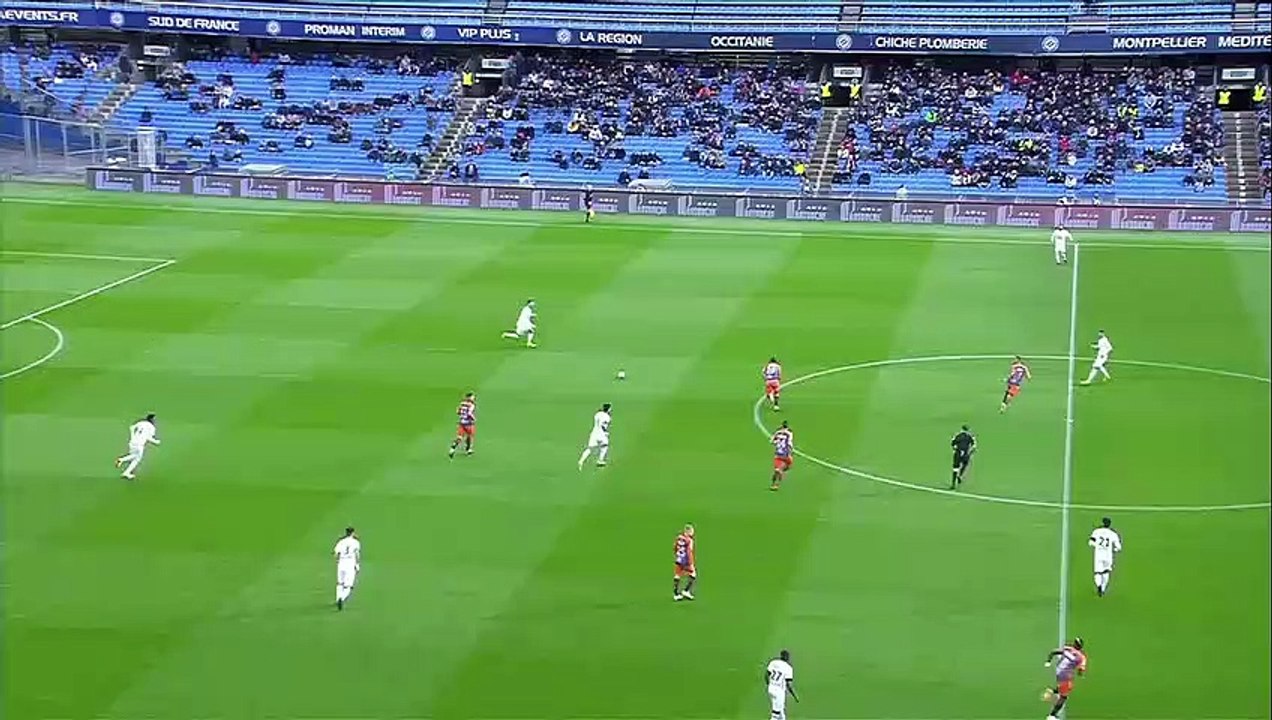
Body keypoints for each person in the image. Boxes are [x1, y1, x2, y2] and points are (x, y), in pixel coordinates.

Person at [1043, 638, 1087, 720]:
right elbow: (1081, 669)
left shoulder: (1067, 649)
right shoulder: (1081, 657)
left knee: (1062, 686)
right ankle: (1052, 715)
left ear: (1074, 644)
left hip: (1059, 672)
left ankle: (1054, 691)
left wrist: (1048, 661)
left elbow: (1054, 651)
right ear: (1081, 647)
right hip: (1066, 676)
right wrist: (1080, 674)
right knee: (1063, 697)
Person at [115, 412, 160, 480]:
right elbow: (148, 437)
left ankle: (124, 467)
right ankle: (123, 465)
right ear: (151, 420)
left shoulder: (142, 422)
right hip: (139, 444)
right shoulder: (152, 428)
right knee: (137, 458)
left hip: (132, 442)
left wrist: (132, 437)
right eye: (154, 419)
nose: (155, 421)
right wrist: (156, 441)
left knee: (134, 456)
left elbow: (132, 427)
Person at [1088, 517, 1122, 597]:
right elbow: (1118, 547)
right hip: (1108, 556)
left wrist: (1098, 546)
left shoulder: (1096, 531)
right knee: (1106, 572)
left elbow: (1090, 542)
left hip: (1098, 555)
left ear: (1103, 523)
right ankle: (1103, 589)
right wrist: (1113, 550)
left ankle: (1099, 586)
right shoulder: (1113, 534)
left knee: (1098, 572)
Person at [333, 526, 361, 611]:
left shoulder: (341, 541)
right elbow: (357, 554)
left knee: (340, 583)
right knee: (348, 585)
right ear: (352, 533)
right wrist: (357, 564)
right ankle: (342, 598)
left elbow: (336, 553)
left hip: (342, 563)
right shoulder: (356, 542)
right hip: (350, 563)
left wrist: (338, 561)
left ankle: (338, 598)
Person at [765, 649, 798, 719]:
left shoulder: (773, 662)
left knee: (781, 711)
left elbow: (766, 675)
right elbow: (789, 685)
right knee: (775, 714)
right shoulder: (788, 668)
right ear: (787, 657)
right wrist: (794, 695)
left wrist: (769, 684)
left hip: (771, 688)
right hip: (779, 692)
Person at [578, 403, 612, 469]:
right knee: (604, 446)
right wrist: (606, 433)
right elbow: (604, 426)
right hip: (602, 434)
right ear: (608, 409)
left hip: (594, 434)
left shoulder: (597, 414)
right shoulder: (607, 417)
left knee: (590, 449)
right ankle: (600, 460)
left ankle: (581, 461)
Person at [672, 523, 696, 601]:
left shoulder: (679, 537)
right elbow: (689, 552)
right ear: (688, 531)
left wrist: (677, 555)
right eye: (692, 531)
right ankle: (686, 591)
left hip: (679, 559)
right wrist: (691, 563)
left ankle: (676, 594)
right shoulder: (689, 540)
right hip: (686, 561)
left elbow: (675, 547)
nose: (693, 533)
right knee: (693, 574)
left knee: (677, 575)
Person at [449, 392, 477, 458]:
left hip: (461, 423)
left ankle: (452, 448)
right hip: (469, 423)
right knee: (470, 436)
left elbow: (458, 412)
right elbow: (469, 413)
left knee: (459, 437)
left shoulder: (462, 403)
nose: (473, 398)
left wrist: (462, 416)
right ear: (469, 397)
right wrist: (474, 418)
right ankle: (468, 449)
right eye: (472, 397)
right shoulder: (472, 405)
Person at [950, 424, 976, 489]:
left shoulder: (957, 435)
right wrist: (970, 452)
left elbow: (953, 444)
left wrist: (955, 449)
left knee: (955, 468)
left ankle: (953, 484)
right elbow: (974, 446)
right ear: (967, 430)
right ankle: (960, 475)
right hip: (965, 454)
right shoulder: (970, 436)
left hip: (958, 453)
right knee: (965, 464)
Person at [771, 421, 794, 491]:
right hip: (786, 455)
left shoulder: (777, 432)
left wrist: (776, 442)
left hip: (779, 455)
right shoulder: (789, 433)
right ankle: (776, 484)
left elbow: (772, 441)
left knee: (777, 471)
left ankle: (774, 484)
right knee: (780, 470)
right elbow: (790, 443)